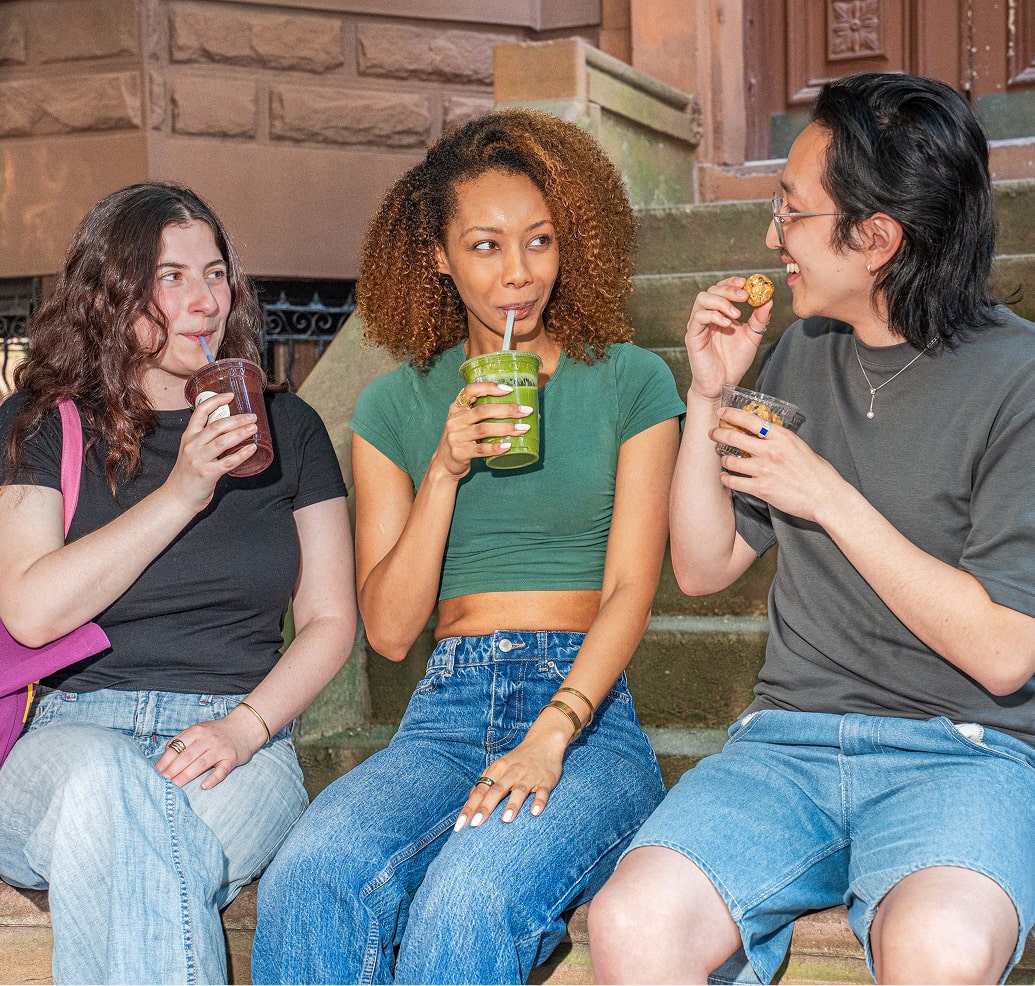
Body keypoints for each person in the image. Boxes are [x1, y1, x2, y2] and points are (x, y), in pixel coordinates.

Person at [588, 71, 1035, 986]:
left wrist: (827, 496)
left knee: (941, 948)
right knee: (631, 921)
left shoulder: (1017, 380)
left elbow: (1003, 655)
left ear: (875, 239)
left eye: (789, 211)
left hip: (962, 753)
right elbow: (704, 564)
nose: (769, 236)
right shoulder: (800, 349)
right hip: (786, 744)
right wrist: (706, 392)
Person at [250, 108, 684, 984]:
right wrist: (444, 471)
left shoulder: (631, 380)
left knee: (470, 897)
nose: (518, 275)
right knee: (311, 876)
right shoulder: (393, 407)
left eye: (540, 242)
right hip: (445, 712)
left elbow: (634, 586)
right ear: (437, 256)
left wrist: (554, 731)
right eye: (485, 246)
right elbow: (388, 631)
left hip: (587, 718)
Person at [0, 182, 357, 984]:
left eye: (217, 273)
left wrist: (246, 728)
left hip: (236, 745)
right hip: (68, 738)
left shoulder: (288, 429)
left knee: (127, 860)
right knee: (109, 797)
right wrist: (182, 493)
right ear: (112, 294)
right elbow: (29, 610)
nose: (205, 300)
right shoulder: (42, 421)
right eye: (171, 277)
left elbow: (332, 618)